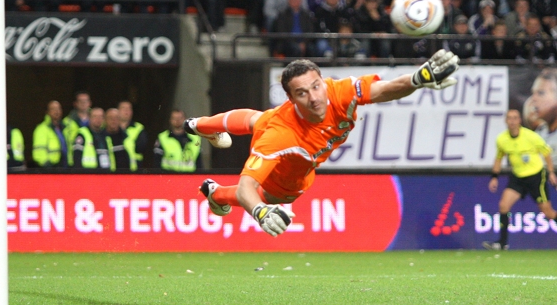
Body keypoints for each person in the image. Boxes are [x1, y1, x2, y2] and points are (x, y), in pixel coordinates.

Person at [184, 52, 460, 236]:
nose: (314, 97)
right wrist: (260, 211)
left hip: (277, 127)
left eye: (316, 86)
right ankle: (216, 194)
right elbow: (246, 188)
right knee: (279, 196)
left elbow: (385, 89)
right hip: (287, 163)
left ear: (322, 81)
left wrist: (418, 79)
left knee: (258, 119)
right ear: (291, 99)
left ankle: (199, 125)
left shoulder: (339, 92)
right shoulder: (280, 135)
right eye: (302, 93)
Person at [483, 109, 557, 250]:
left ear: (519, 121)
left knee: (548, 213)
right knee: (503, 206)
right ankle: (502, 243)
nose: (512, 121)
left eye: (515, 118)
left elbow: (546, 152)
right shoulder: (502, 139)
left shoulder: (531, 136)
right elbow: (499, 157)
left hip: (535, 176)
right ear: (506, 121)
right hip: (517, 177)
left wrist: (551, 172)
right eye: (509, 118)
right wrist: (494, 177)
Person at [32, 100, 71, 168]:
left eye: (58, 108)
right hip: (50, 168)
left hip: (65, 167)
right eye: (53, 109)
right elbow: (39, 151)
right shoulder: (42, 129)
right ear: (47, 112)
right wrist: (47, 165)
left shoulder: (65, 128)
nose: (56, 111)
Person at [118, 101, 148, 169]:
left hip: (134, 169)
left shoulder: (139, 128)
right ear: (117, 111)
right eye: (123, 108)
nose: (126, 111)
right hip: (115, 169)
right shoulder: (111, 128)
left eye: (129, 109)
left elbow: (141, 148)